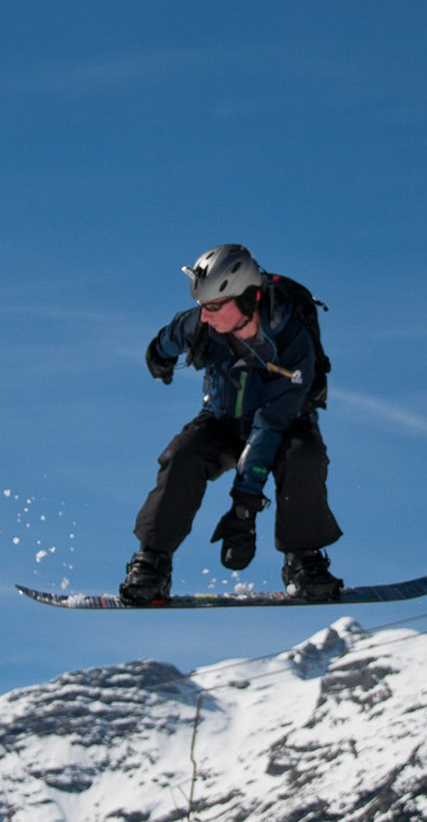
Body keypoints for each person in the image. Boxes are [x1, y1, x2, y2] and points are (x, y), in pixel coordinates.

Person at [122, 244, 345, 606]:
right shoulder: (202, 323)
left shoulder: (293, 341)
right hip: (223, 419)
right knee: (182, 455)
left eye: (212, 306)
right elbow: (174, 333)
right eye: (201, 306)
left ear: (246, 301)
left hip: (286, 422)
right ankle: (152, 564)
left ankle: (303, 562)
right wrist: (158, 355)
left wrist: (244, 508)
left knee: (303, 457)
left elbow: (269, 426)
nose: (204, 316)